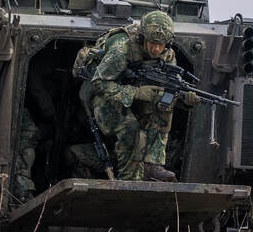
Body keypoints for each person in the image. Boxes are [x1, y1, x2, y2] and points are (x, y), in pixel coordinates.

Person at [81, 10, 199, 182]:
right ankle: (129, 179)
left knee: (164, 104)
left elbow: (171, 87)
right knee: (131, 130)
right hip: (105, 97)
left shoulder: (167, 55)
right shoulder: (122, 48)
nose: (156, 49)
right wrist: (136, 93)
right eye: (152, 43)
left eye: (161, 44)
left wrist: (185, 100)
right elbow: (98, 83)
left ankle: (153, 164)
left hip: (135, 97)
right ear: (143, 38)